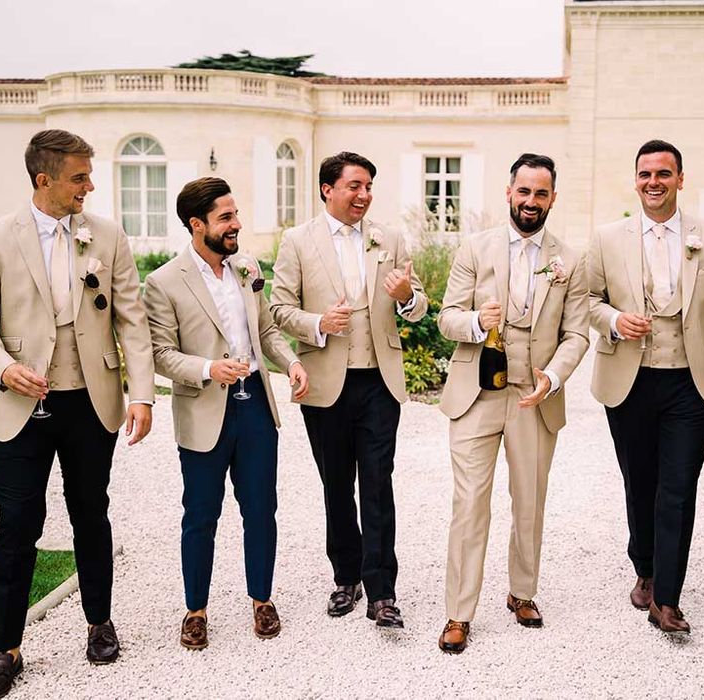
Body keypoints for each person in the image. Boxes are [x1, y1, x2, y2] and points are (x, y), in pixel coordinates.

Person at [0, 129, 154, 698]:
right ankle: (6, 649)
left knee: (91, 511)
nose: (89, 186)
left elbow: (132, 321)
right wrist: (2, 368)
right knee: (16, 524)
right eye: (79, 177)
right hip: (23, 404)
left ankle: (99, 623)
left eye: (89, 176)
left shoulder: (107, 236)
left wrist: (140, 393)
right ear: (44, 180)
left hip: (91, 400)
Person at [144, 177, 308, 650]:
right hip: (203, 411)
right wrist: (208, 368)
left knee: (262, 509)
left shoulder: (247, 267)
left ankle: (262, 599)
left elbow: (266, 330)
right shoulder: (163, 282)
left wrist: (292, 362)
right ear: (197, 225)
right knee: (200, 515)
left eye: (235, 214)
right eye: (226, 218)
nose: (236, 225)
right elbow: (160, 353)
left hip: (255, 405)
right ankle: (195, 610)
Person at [436, 153, 589, 654]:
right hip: (476, 395)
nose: (530, 202)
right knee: (469, 505)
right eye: (523, 191)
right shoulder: (475, 248)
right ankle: (459, 613)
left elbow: (576, 333)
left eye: (540, 193)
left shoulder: (570, 259)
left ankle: (522, 593)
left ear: (552, 199)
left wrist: (556, 375)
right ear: (509, 192)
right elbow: (446, 319)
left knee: (529, 502)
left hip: (533, 397)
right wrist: (478, 321)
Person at [270, 151, 428, 629]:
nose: (364, 196)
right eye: (355, 186)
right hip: (325, 382)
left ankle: (382, 591)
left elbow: (418, 307)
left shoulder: (390, 238)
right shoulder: (297, 242)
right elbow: (278, 310)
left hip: (379, 379)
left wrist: (406, 298)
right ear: (328, 189)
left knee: (378, 483)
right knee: (336, 484)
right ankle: (346, 576)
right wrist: (318, 322)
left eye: (368, 187)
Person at [588, 139, 704, 636]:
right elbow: (587, 301)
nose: (653, 183)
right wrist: (615, 320)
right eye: (645, 174)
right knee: (640, 482)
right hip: (630, 381)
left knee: (679, 488)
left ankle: (668, 599)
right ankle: (645, 565)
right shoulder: (607, 237)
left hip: (691, 383)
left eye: (664, 174)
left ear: (681, 179)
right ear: (635, 180)